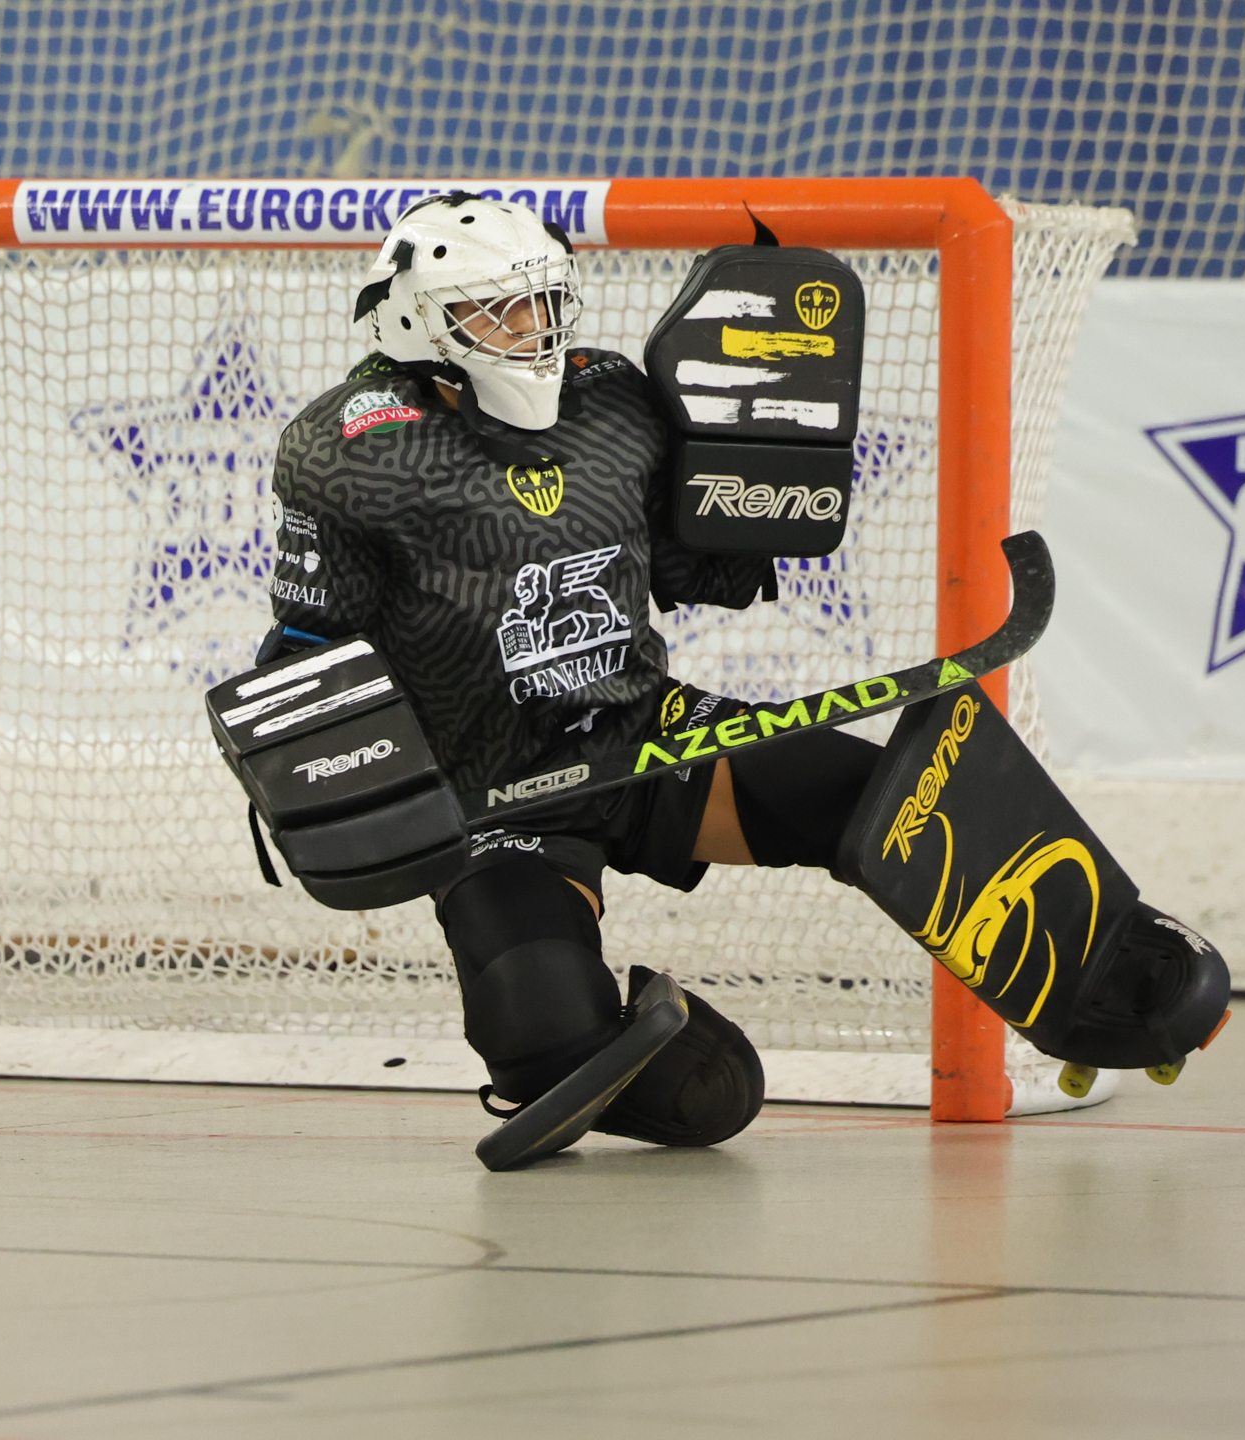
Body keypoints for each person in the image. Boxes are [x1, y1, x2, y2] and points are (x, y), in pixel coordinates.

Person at [260, 193, 878, 1149]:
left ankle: (1111, 974)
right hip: (495, 800)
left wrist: (759, 489)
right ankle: (603, 1040)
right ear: (418, 323)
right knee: (607, 1056)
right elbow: (311, 648)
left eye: (545, 301)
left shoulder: (613, 400)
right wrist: (309, 768)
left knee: (900, 801)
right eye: (499, 309)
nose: (534, 328)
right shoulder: (351, 451)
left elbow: (693, 572)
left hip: (644, 741)